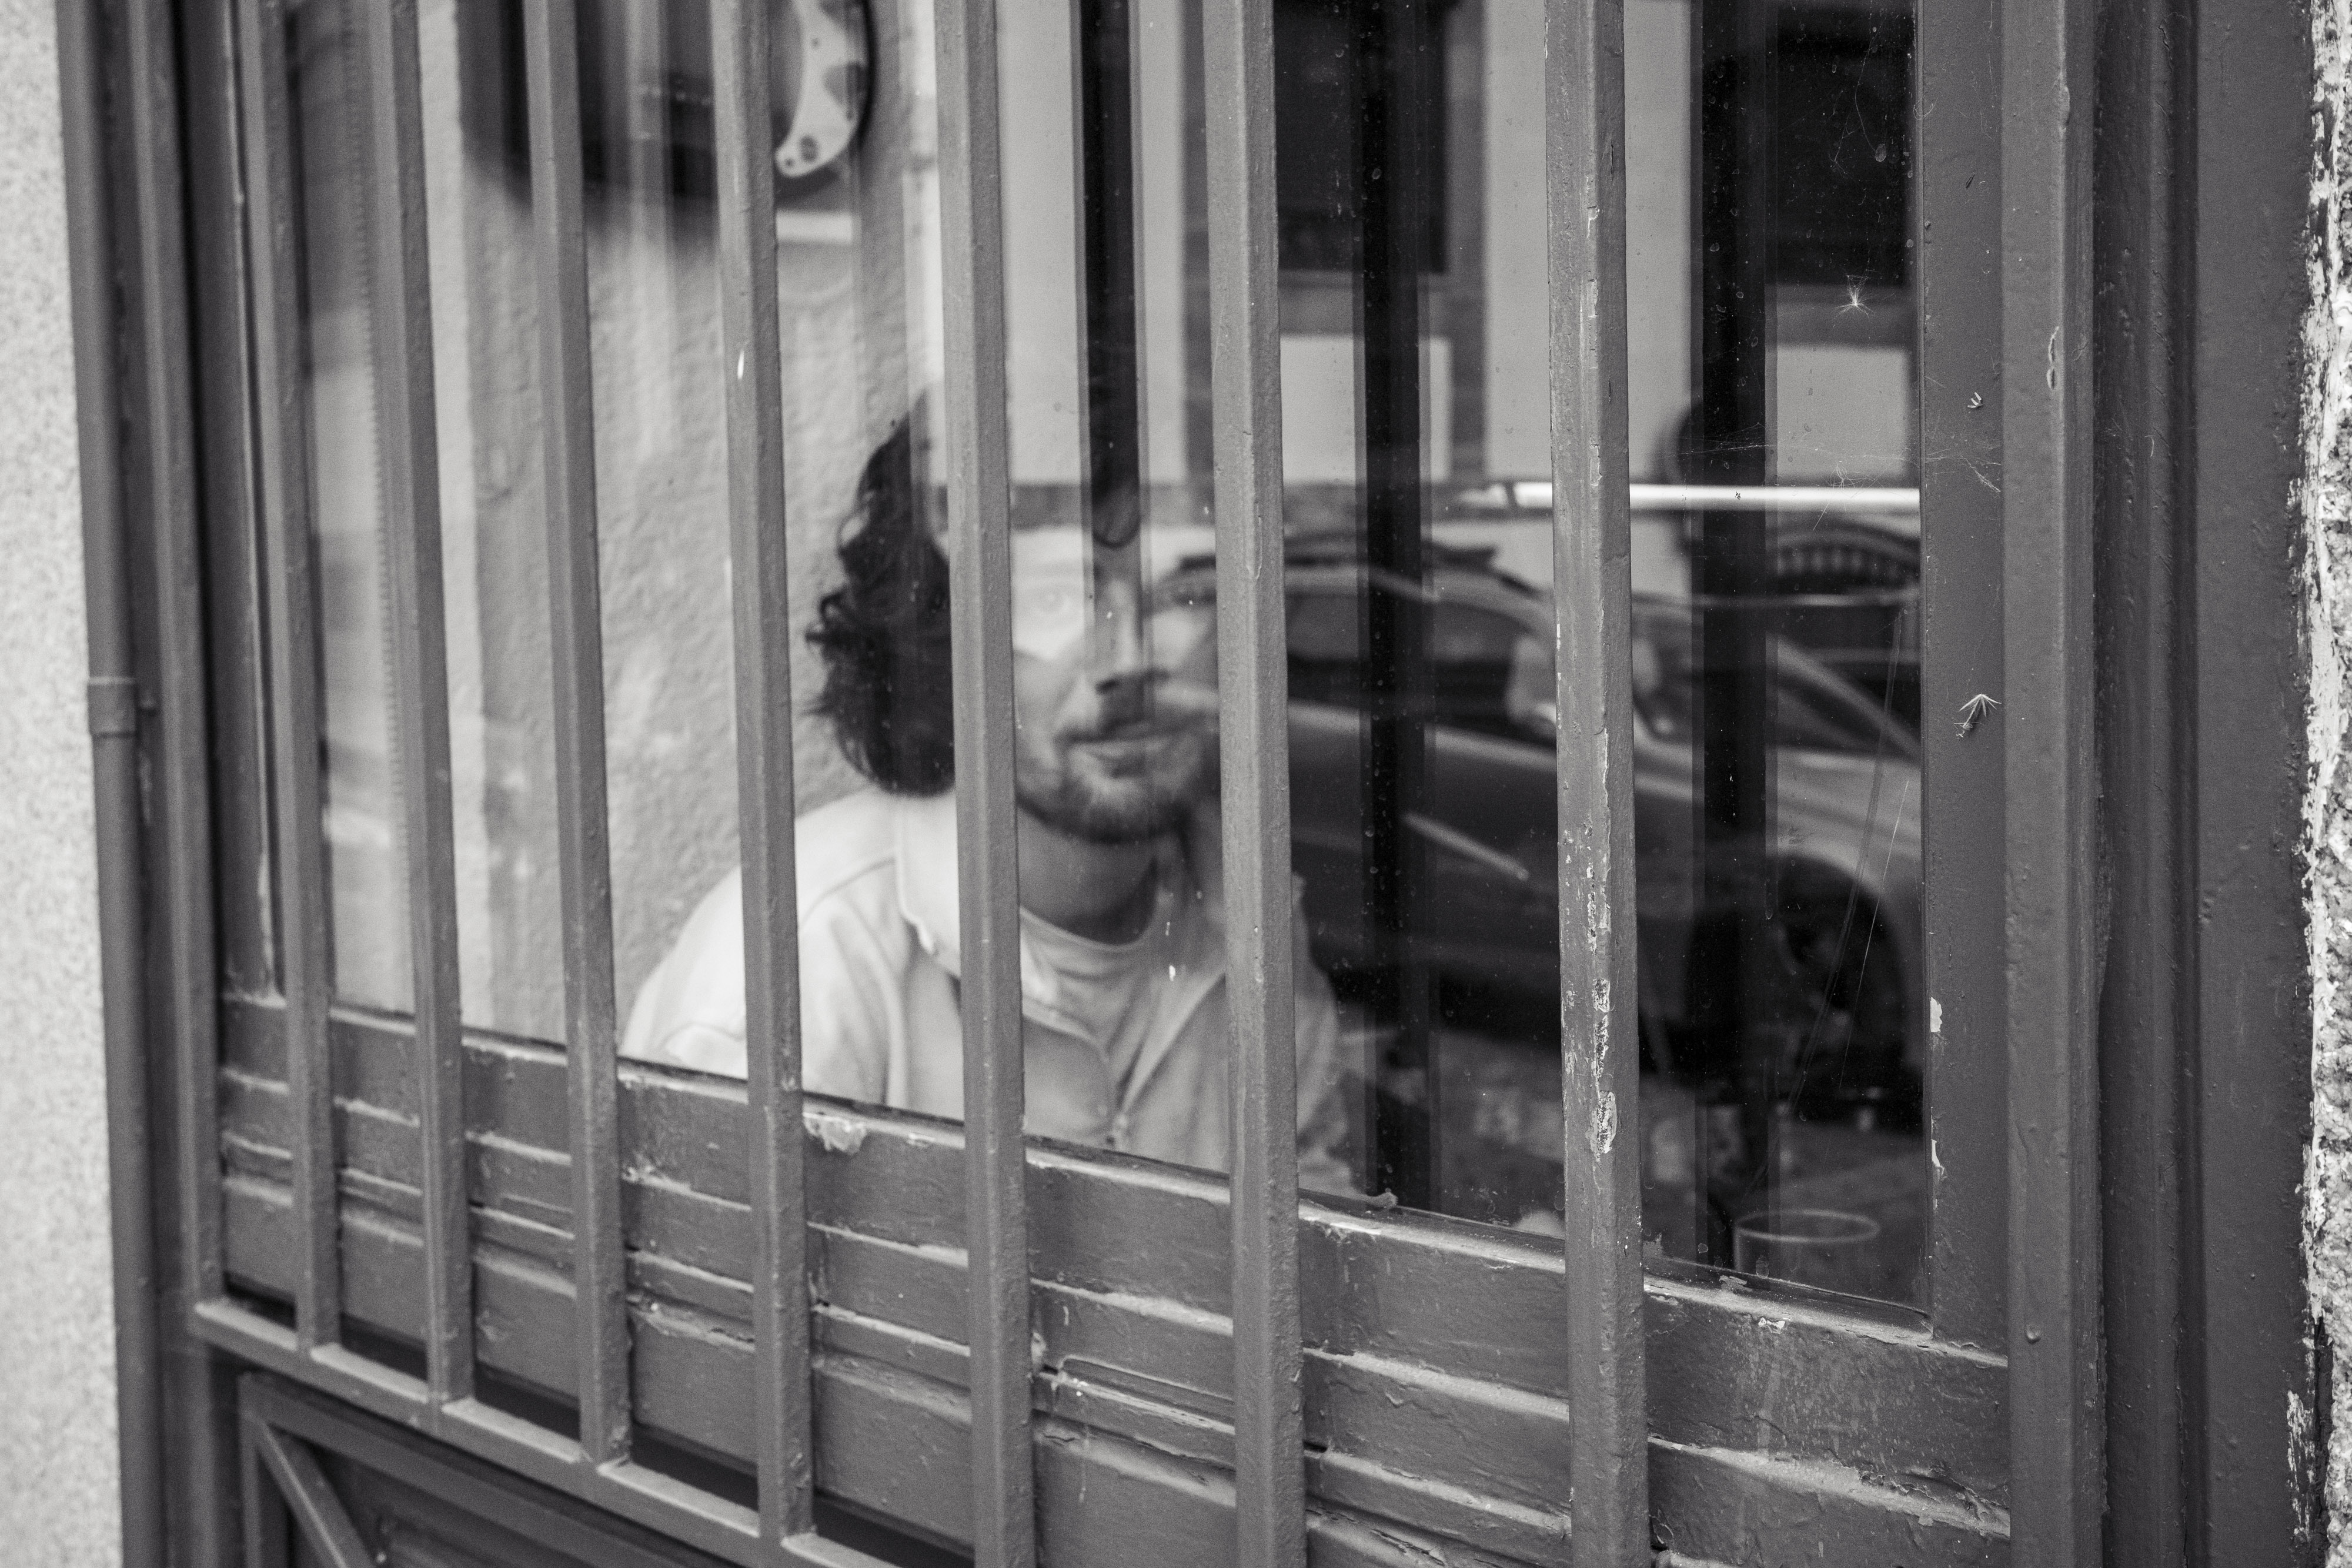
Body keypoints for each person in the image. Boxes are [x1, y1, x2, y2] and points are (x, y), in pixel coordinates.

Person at [620, 424, 1353, 1192]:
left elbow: (1311, 1222)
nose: (1129, 659)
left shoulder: (1246, 905)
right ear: (941, 646)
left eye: (1185, 595)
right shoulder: (805, 958)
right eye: (1054, 600)